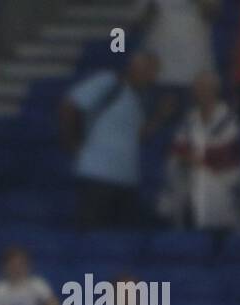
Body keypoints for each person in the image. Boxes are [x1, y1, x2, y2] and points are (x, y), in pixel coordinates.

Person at [60, 52, 165, 228]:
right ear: (135, 68)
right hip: (97, 175)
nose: (152, 77)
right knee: (92, 237)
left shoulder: (141, 99)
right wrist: (71, 144)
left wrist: (160, 117)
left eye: (154, 72)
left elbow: (137, 136)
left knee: (119, 242)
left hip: (127, 179)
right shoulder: (108, 82)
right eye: (150, 71)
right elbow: (69, 105)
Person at [159, 72, 240, 233]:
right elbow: (176, 151)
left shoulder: (230, 118)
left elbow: (226, 155)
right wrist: (190, 159)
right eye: (197, 88)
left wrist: (198, 159)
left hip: (223, 180)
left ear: (215, 89)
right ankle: (184, 235)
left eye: (205, 87)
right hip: (189, 177)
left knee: (200, 178)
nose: (201, 92)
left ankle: (204, 233)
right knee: (182, 178)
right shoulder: (190, 118)